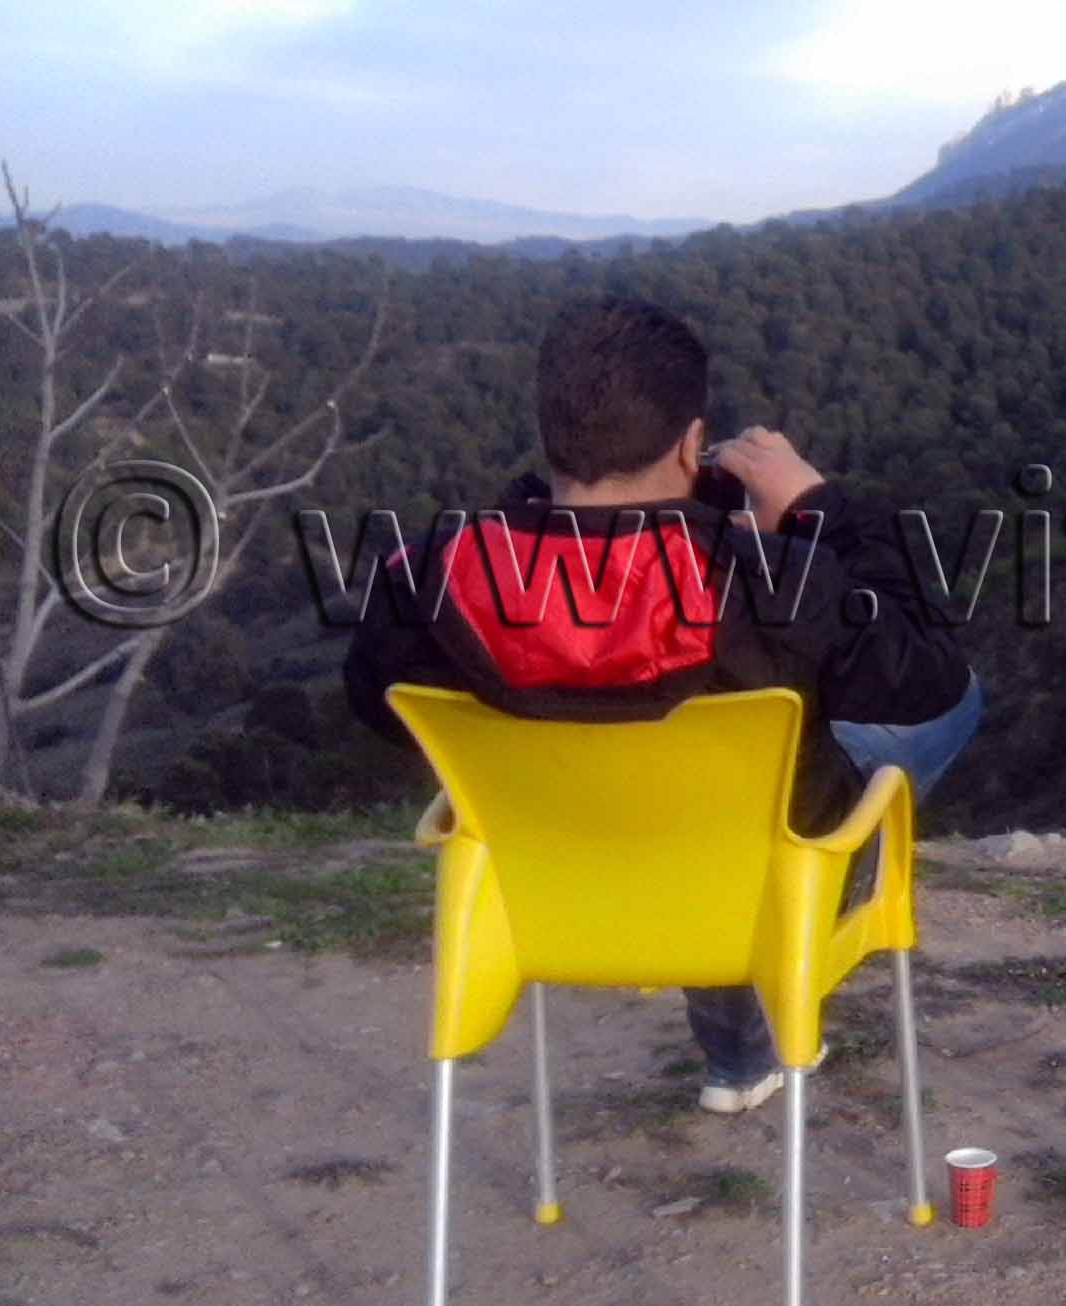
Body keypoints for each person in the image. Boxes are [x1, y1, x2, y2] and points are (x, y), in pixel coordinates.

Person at [345, 295, 981, 1114]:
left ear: (552, 432)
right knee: (946, 708)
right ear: (689, 443)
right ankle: (772, 985)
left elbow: (378, 708)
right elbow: (929, 673)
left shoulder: (425, 580)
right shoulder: (770, 581)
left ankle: (737, 1054)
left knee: (702, 767)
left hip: (555, 880)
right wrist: (817, 509)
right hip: (736, 877)